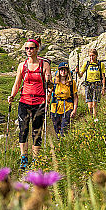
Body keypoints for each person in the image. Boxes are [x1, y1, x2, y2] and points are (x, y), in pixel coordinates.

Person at [8, 38, 52, 169]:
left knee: (36, 131)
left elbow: (49, 86)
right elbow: (17, 83)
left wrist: (49, 82)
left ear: (37, 49)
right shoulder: (22, 66)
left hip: (39, 101)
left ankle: (36, 159)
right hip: (24, 101)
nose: (29, 50)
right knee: (23, 130)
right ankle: (23, 158)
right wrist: (12, 95)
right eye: (27, 48)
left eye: (31, 48)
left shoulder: (44, 65)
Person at [49, 61, 77, 136]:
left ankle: (63, 143)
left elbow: (75, 97)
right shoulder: (55, 81)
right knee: (56, 129)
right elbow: (49, 93)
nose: (63, 72)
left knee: (64, 130)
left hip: (68, 106)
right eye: (61, 70)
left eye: (65, 70)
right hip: (55, 107)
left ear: (68, 71)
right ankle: (59, 144)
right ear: (59, 71)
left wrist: (74, 109)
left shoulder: (72, 83)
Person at [77, 48, 106, 121]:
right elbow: (80, 75)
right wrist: (77, 72)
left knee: (94, 104)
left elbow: (103, 77)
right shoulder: (86, 64)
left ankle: (95, 118)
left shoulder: (100, 64)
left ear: (96, 56)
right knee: (89, 106)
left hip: (97, 85)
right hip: (88, 85)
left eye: (93, 55)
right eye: (90, 56)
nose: (91, 57)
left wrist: (103, 88)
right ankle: (91, 117)